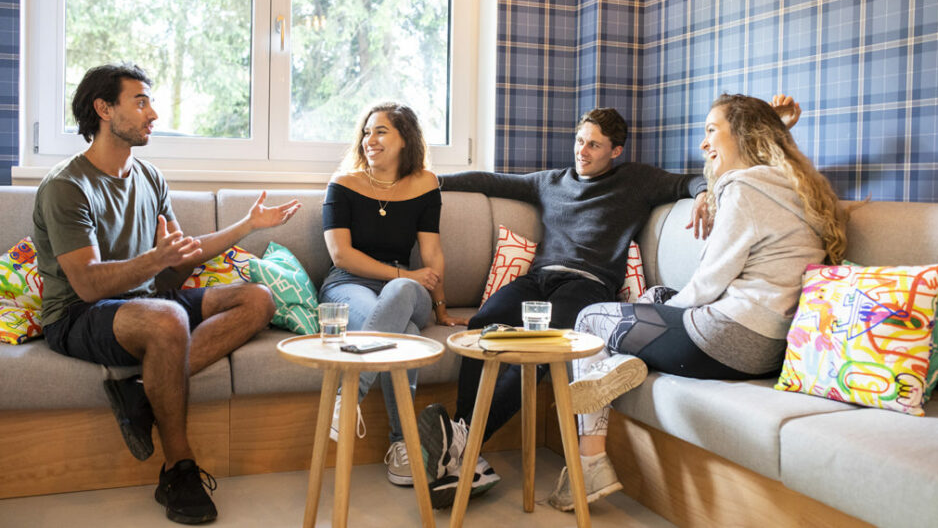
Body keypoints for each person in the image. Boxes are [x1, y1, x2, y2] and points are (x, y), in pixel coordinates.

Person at [547, 93, 846, 512]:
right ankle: (619, 360)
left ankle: (591, 460)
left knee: (592, 317)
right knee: (655, 297)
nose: (704, 144)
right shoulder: (797, 188)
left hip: (730, 335)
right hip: (772, 346)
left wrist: (647, 321)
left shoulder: (745, 188)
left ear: (742, 135)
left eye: (711, 131)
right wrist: (654, 308)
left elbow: (706, 285)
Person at [33, 63, 301, 524]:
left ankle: (139, 391)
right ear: (103, 109)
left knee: (257, 299)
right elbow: (89, 283)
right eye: (140, 102)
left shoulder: (150, 177)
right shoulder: (67, 187)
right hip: (80, 314)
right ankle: (179, 469)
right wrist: (155, 262)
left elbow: (179, 261)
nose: (153, 113)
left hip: (146, 302)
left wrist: (248, 225)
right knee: (167, 318)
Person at [416, 106, 712, 508]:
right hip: (539, 278)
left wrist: (705, 193)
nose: (582, 151)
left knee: (542, 348)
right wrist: (432, 181)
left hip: (587, 285)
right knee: (483, 324)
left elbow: (688, 181)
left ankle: (464, 439)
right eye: (579, 141)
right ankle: (466, 441)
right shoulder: (551, 182)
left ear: (616, 151)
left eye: (594, 145)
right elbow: (491, 180)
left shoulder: (637, 181)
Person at [319, 102, 468, 487]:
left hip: (406, 290)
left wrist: (441, 310)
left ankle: (348, 395)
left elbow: (432, 253)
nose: (371, 139)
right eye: (367, 132)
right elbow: (342, 255)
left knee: (403, 290)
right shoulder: (343, 185)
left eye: (381, 131)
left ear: (406, 139)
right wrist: (404, 273)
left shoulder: (425, 184)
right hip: (348, 286)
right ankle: (403, 443)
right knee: (408, 337)